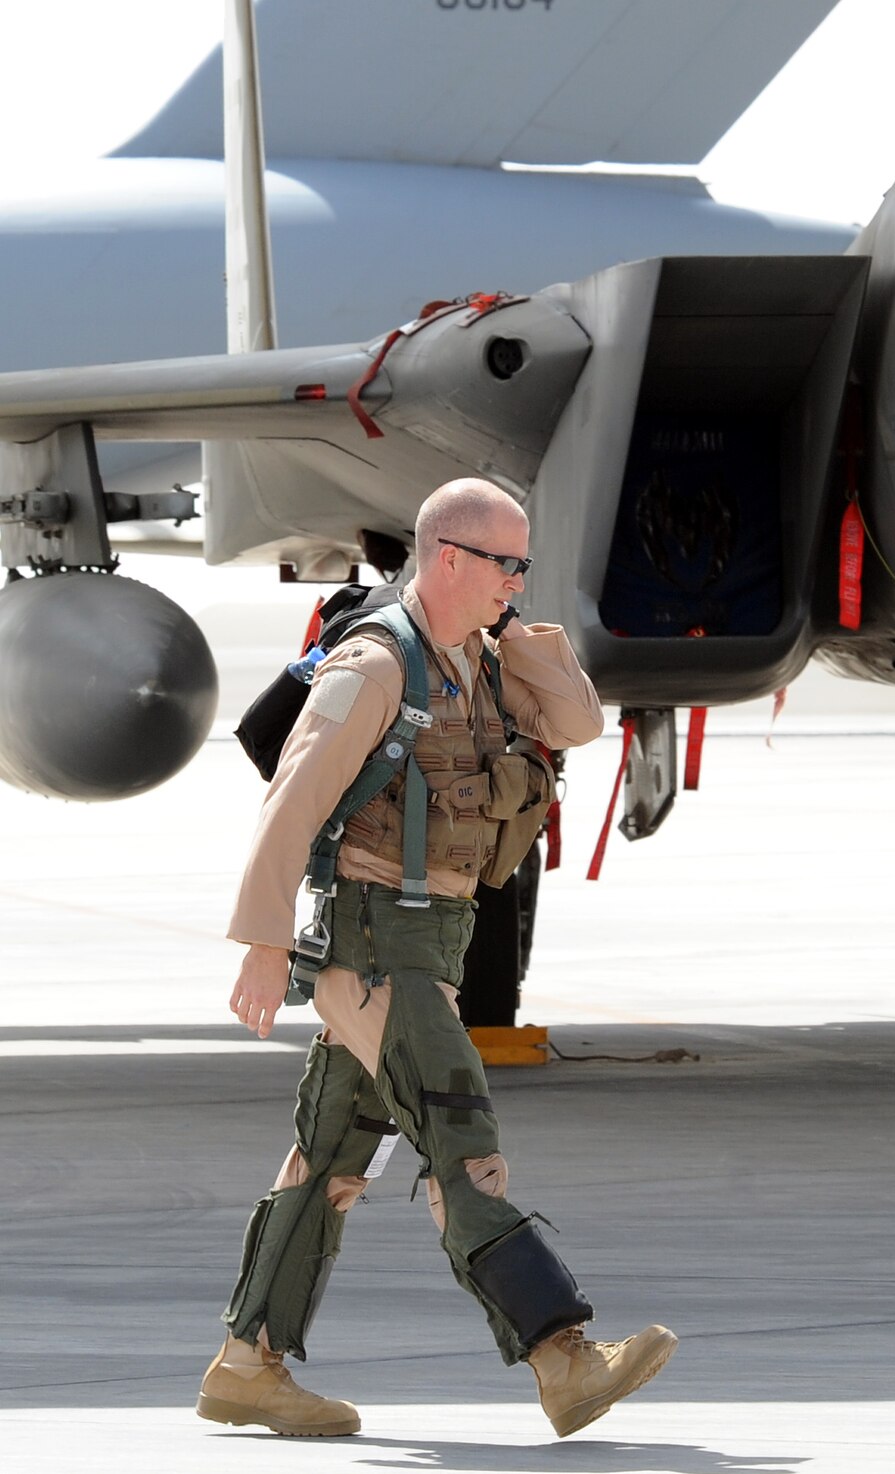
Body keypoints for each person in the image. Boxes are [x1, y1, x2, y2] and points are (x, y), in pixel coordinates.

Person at [198, 479, 674, 1440]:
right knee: (462, 1140)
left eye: (525, 566)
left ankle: (248, 1365)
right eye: (507, 564)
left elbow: (579, 726)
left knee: (330, 1159)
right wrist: (262, 942)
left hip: (430, 942)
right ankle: (561, 1357)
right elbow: (290, 804)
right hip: (375, 945)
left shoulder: (481, 664)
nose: (519, 582)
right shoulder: (377, 669)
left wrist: (525, 633)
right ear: (448, 558)